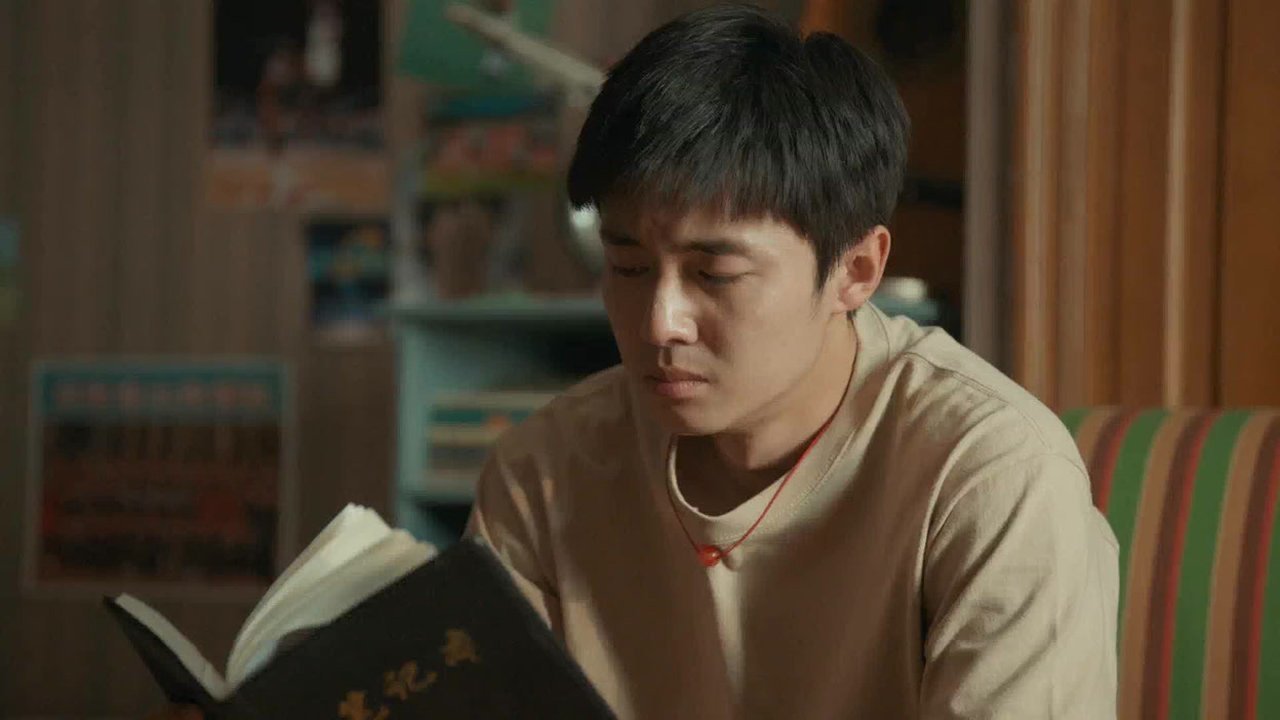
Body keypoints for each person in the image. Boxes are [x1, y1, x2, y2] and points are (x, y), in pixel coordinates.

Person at [150, 4, 1117, 718]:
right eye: (626, 266)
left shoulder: (989, 479)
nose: (659, 321)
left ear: (856, 271)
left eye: (715, 273)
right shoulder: (545, 473)